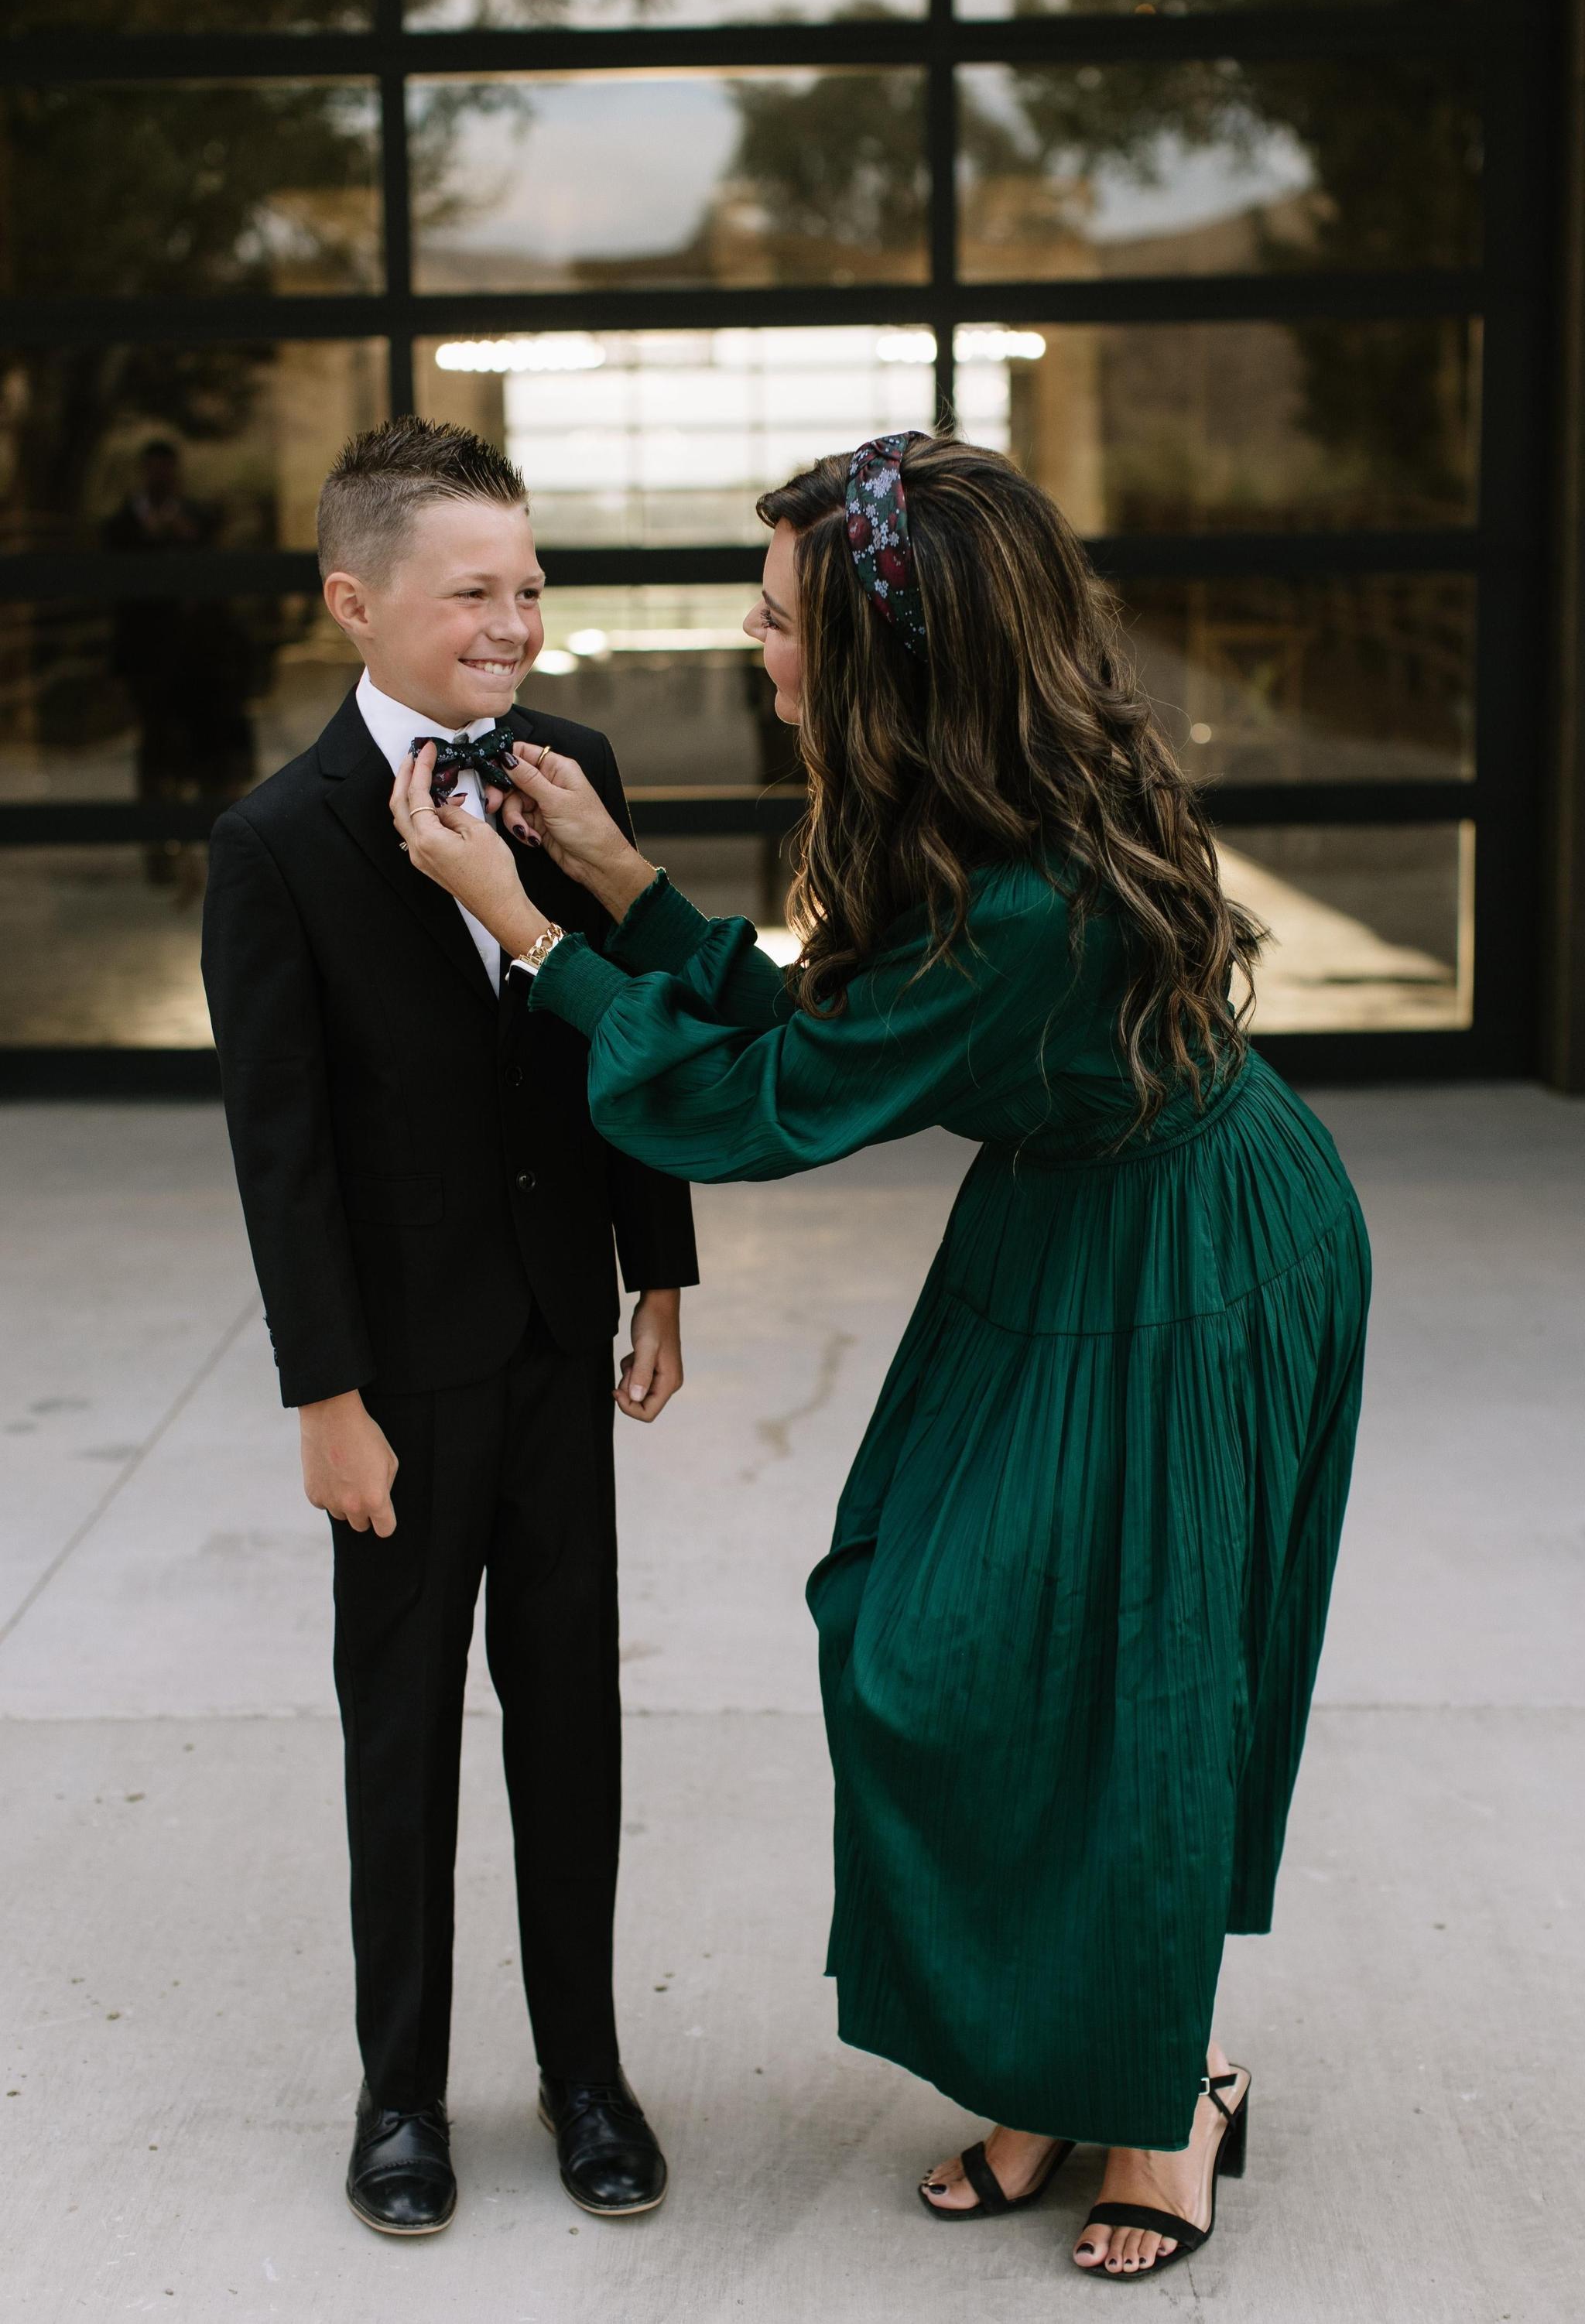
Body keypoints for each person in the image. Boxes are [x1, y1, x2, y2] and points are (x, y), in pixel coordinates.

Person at [392, 431, 1371, 2281]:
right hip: (1065, 1219)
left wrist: (527, 927)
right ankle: (1056, 2055)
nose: (756, 647)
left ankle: (1160, 2090)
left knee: (1134, 1688)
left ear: (883, 656)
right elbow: (838, 1024)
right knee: (930, 1649)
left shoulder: (1027, 895)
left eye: (778, 620)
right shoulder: (979, 805)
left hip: (1189, 1257)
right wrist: (619, 879)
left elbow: (766, 1101)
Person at [200, 417, 698, 2239]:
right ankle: (398, 2089)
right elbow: (285, 1151)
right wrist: (324, 1393)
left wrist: (659, 1268)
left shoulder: (571, 773)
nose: (512, 622)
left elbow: (625, 1032)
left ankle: (588, 2070)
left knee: (571, 1719)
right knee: (399, 1732)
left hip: (560, 1336)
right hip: (399, 1377)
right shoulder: (275, 840)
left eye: (530, 586)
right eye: (471, 590)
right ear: (355, 601)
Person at [104, 440, 257, 883]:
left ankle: (217, 859)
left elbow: (219, 591)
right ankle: (161, 861)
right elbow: (119, 600)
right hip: (150, 666)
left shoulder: (197, 521)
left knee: (208, 761)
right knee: (156, 761)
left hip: (201, 668)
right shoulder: (122, 528)